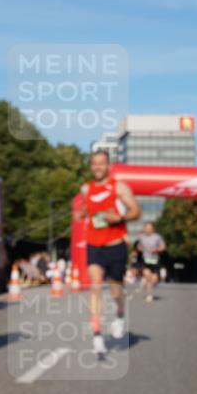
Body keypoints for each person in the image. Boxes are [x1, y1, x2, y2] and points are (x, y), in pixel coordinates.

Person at [77, 150, 141, 358]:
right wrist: (82, 213)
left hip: (115, 245)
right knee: (95, 286)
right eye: (94, 164)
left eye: (101, 164)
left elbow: (136, 211)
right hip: (94, 244)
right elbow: (85, 211)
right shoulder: (86, 189)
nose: (97, 167)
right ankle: (97, 335)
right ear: (91, 166)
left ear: (108, 166)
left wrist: (119, 217)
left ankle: (120, 315)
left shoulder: (119, 187)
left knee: (115, 291)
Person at [136, 222, 166, 303]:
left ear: (153, 229)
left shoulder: (157, 237)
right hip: (145, 260)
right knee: (147, 275)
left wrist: (156, 250)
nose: (147, 230)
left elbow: (163, 247)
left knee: (154, 279)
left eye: (149, 228)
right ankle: (150, 295)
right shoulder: (142, 238)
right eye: (146, 228)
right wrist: (140, 248)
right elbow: (138, 247)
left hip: (155, 260)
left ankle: (149, 284)